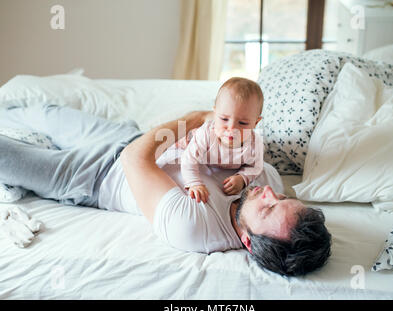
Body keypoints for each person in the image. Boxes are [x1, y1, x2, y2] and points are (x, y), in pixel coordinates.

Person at [0, 101, 331, 276]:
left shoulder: (196, 227)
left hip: (93, 175)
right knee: (44, 112)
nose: (270, 193)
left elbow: (133, 161)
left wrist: (197, 117)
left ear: (247, 242)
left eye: (269, 208)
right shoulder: (266, 180)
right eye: (284, 198)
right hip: (130, 137)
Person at [178, 77, 264, 204]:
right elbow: (188, 159)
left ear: (256, 123)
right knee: (172, 143)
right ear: (215, 113)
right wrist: (194, 184)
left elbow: (256, 167)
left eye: (242, 123)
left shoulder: (254, 144)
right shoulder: (205, 134)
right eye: (224, 119)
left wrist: (242, 178)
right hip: (189, 139)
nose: (232, 128)